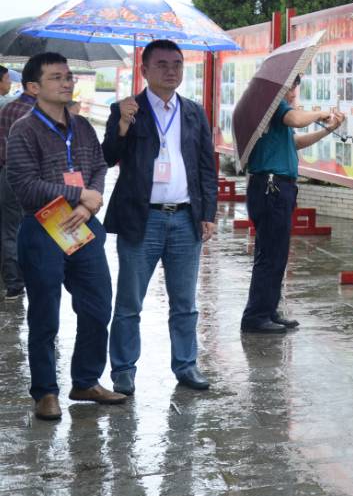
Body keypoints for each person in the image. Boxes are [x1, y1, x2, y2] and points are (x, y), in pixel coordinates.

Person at [6, 52, 127, 420]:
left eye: (69, 75)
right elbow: (25, 186)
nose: (67, 82)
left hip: (83, 226)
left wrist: (88, 207)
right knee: (45, 313)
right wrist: (78, 195)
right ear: (33, 87)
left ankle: (86, 380)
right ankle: (45, 391)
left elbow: (98, 168)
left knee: (98, 302)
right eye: (56, 77)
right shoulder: (23, 130)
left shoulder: (83, 127)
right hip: (42, 227)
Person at [102, 39, 218, 395]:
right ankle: (123, 370)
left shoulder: (194, 111)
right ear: (145, 69)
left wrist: (208, 213)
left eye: (178, 64)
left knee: (185, 302)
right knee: (129, 302)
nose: (171, 71)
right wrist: (122, 124)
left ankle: (186, 365)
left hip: (185, 218)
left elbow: (205, 167)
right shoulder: (127, 109)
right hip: (142, 219)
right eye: (163, 64)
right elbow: (108, 157)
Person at [240, 74, 343, 333]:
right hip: (271, 188)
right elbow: (296, 119)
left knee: (275, 253)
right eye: (291, 85)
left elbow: (294, 141)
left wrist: (327, 129)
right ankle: (256, 316)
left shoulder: (274, 111)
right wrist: (320, 113)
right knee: (270, 255)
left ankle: (267, 309)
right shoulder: (273, 105)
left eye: (295, 86)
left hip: (275, 188)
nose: (294, 91)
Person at [0, 66, 34, 301]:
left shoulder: (8, 106)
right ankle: (34, 276)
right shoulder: (37, 112)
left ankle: (14, 283)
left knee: (10, 229)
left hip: (7, 173)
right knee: (36, 226)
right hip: (32, 178)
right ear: (34, 86)